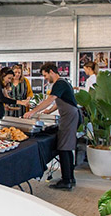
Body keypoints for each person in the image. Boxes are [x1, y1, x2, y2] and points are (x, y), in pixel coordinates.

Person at [24, 63, 80, 191]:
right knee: (67, 147)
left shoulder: (59, 83)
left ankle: (66, 181)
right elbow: (59, 101)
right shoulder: (63, 83)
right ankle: (70, 178)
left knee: (64, 148)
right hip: (69, 116)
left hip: (69, 117)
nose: (45, 78)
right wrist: (49, 111)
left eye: (45, 75)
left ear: (51, 72)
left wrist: (33, 112)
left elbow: (50, 99)